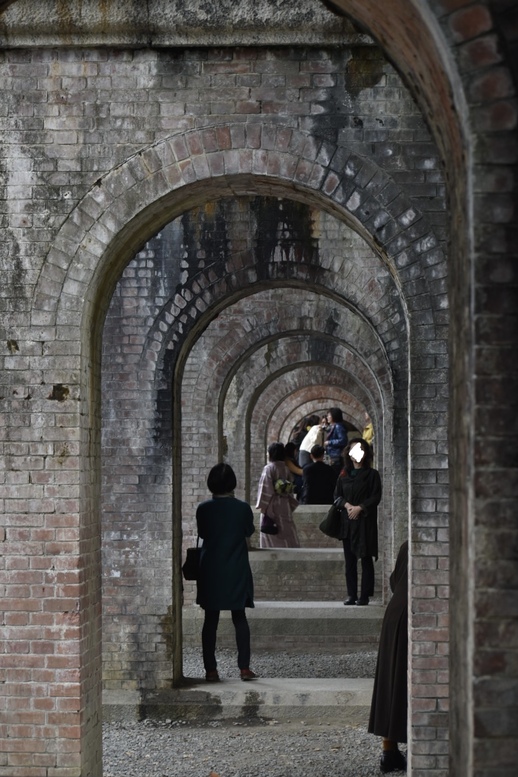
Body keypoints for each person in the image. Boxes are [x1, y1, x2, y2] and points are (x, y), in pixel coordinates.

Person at [196, 463, 257, 682]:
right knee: (239, 617)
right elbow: (248, 531)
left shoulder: (203, 509)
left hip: (210, 568)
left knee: (210, 620)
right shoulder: (242, 508)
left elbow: (203, 533)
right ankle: (244, 668)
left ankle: (211, 670)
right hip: (236, 566)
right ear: (232, 483)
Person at [368, 540, 408, 773]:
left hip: (394, 615)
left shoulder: (407, 544)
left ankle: (389, 752)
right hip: (410, 615)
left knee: (389, 681)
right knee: (403, 683)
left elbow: (394, 581)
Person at [334, 438, 382, 606]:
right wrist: (347, 506)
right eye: (353, 450)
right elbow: (337, 496)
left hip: (364, 522)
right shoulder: (344, 474)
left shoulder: (372, 474)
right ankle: (351, 594)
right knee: (350, 561)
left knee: (366, 559)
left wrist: (360, 507)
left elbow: (376, 496)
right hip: (348, 523)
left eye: (360, 449)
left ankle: (364, 596)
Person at [256, 442, 299, 548]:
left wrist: (263, 507)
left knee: (270, 532)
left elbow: (265, 489)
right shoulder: (285, 468)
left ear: (271, 454)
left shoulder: (269, 468)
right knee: (286, 531)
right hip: (284, 505)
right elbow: (290, 488)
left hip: (272, 506)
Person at [323, 407, 348, 472]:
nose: (327, 417)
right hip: (332, 454)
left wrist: (329, 442)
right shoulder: (333, 426)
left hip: (336, 455)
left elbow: (343, 440)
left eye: (329, 415)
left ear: (334, 416)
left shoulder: (338, 426)